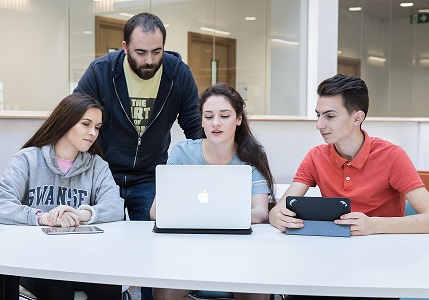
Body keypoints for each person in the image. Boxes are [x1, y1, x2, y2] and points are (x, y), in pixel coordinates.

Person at [269, 74, 429, 300]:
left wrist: (371, 225)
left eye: (330, 116)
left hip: (381, 268)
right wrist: (279, 218)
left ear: (357, 117)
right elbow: (277, 210)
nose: (319, 125)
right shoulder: (315, 157)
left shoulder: (392, 156)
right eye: (318, 115)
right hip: (330, 264)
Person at [74, 13, 201, 298]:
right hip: (104, 173)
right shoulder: (101, 71)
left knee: (154, 250)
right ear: (124, 47)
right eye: (141, 52)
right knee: (102, 245)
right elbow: (76, 115)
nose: (149, 61)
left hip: (151, 173)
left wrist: (210, 170)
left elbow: (194, 127)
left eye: (157, 52)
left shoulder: (177, 73)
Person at [150, 83, 275, 300]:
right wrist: (221, 217)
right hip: (188, 249)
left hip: (239, 251)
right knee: (163, 290)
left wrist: (200, 216)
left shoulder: (254, 154)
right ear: (201, 120)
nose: (215, 123)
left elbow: (261, 212)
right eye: (208, 116)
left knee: (258, 291)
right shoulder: (182, 152)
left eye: (224, 116)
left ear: (238, 119)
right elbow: (157, 212)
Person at [0, 93, 124, 300]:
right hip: (34, 257)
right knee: (58, 287)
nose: (93, 133)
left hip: (82, 258)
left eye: (97, 127)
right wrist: (44, 217)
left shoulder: (97, 165)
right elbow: (3, 204)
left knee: (110, 286)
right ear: (65, 121)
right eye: (86, 124)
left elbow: (115, 206)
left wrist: (80, 214)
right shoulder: (27, 159)